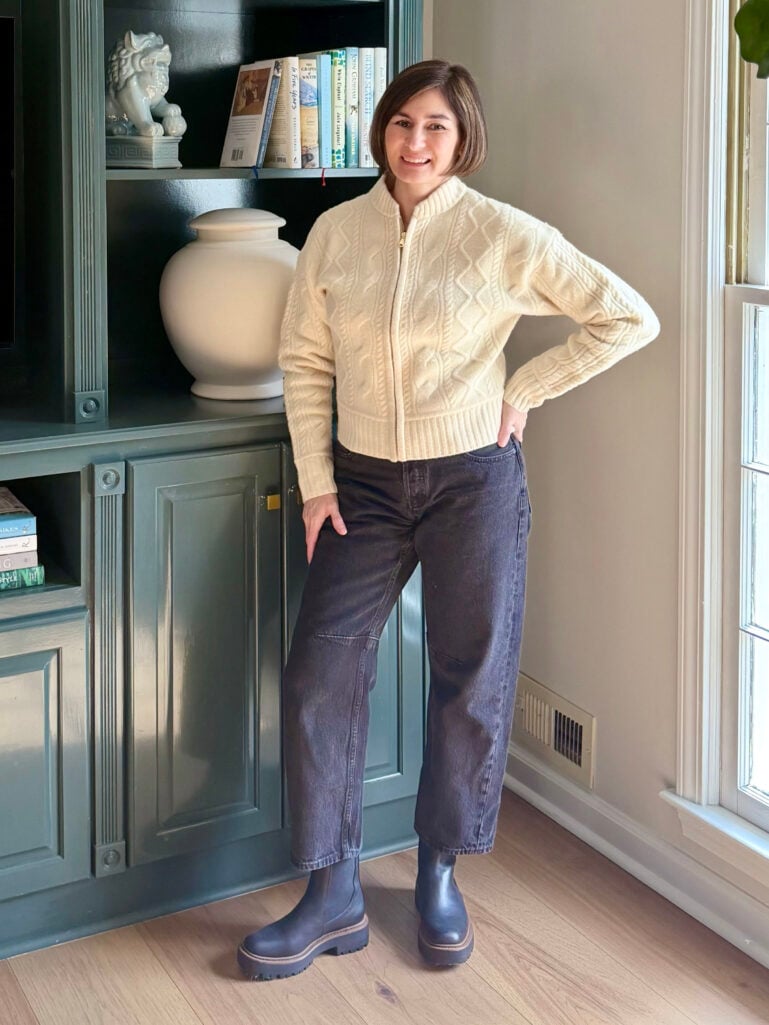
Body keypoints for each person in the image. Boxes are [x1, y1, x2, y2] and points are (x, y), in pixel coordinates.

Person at [237, 58, 659, 981]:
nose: (413, 143)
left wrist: (526, 387)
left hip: (474, 479)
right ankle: (330, 891)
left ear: (462, 137)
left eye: (434, 127)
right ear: (379, 132)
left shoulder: (502, 233)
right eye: (399, 124)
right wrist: (316, 484)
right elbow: (305, 362)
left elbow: (625, 317)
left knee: (467, 674)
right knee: (319, 672)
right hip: (363, 489)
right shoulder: (335, 232)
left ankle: (438, 871)